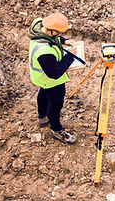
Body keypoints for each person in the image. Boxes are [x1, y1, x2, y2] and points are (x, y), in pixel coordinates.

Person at [28, 12, 76, 144]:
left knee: (43, 94)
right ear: (51, 30)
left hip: (40, 77)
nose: (59, 35)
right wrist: (70, 56)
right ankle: (56, 129)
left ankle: (42, 117)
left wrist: (65, 41)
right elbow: (55, 73)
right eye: (58, 33)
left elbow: (52, 38)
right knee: (55, 104)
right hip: (50, 80)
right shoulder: (44, 52)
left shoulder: (39, 27)